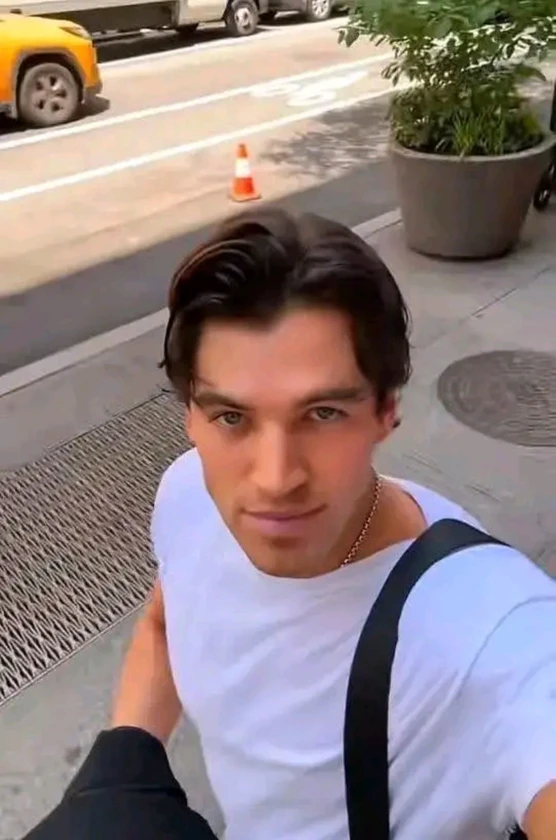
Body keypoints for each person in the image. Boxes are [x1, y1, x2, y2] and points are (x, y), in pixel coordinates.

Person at [29, 209, 556, 839]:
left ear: (387, 410)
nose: (275, 479)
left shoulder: (493, 631)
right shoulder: (187, 494)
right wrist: (125, 764)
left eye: (323, 413)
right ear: (189, 415)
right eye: (232, 417)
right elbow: (166, 622)